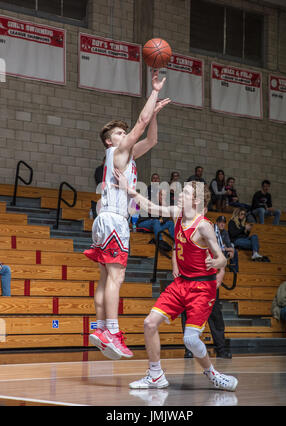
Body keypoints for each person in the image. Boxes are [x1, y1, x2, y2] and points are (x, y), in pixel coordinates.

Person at [114, 170, 238, 392]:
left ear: (196, 200)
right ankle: (155, 376)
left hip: (202, 287)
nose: (180, 195)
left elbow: (221, 258)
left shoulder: (204, 226)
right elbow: (151, 208)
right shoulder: (177, 213)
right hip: (181, 284)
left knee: (190, 339)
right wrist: (128, 189)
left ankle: (213, 374)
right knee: (149, 323)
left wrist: (217, 263)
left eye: (186, 192)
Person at [83, 70, 170, 360]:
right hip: (114, 219)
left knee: (105, 278)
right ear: (110, 142)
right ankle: (111, 330)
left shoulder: (128, 156)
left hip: (106, 219)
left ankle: (98, 329)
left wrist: (155, 114)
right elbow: (141, 124)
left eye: (124, 132)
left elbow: (152, 138)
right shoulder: (118, 152)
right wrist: (154, 91)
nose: (125, 135)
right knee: (116, 279)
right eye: (120, 133)